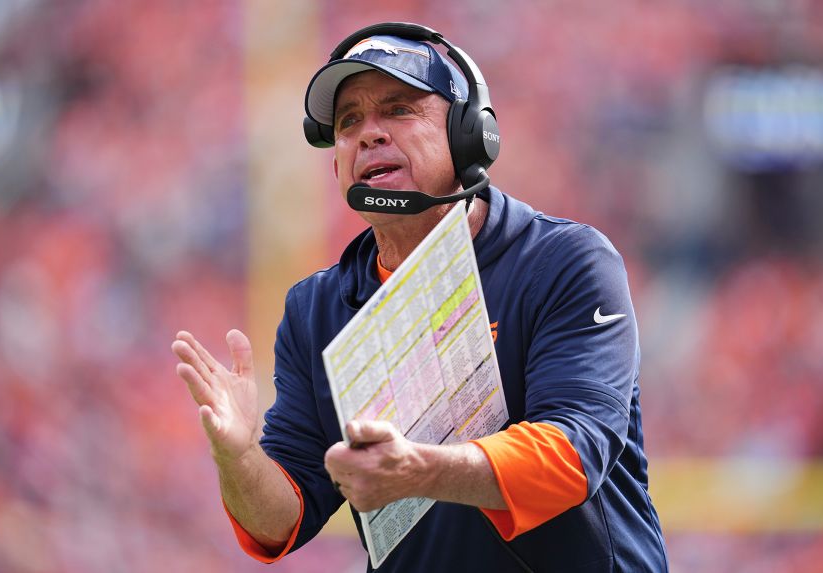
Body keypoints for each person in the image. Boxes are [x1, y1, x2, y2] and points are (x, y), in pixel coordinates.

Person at [172, 23, 669, 572]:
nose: (369, 134)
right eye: (348, 121)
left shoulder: (564, 260)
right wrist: (238, 456)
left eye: (399, 110)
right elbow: (279, 521)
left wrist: (420, 470)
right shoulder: (314, 310)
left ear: (469, 134)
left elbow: (571, 456)